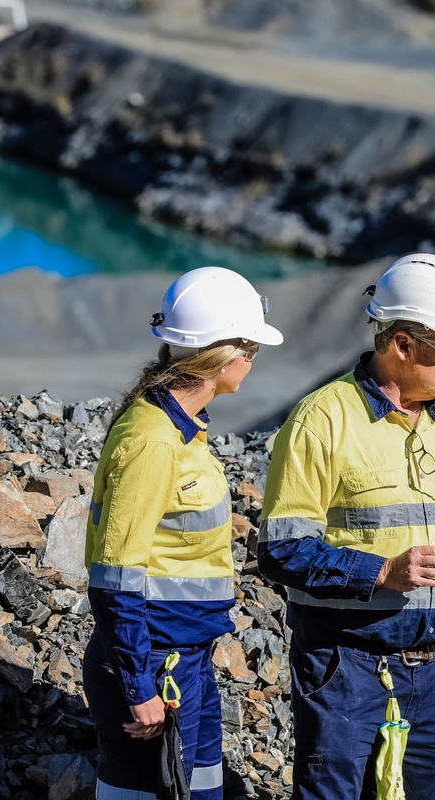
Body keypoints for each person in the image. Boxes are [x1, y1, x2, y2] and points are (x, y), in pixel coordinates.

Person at [257, 253, 435, 800]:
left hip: (431, 671)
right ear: (403, 344)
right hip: (343, 667)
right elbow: (281, 550)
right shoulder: (323, 419)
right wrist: (383, 571)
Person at [84, 267, 284, 800]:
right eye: (251, 349)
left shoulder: (179, 431)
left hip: (184, 658)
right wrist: (138, 686)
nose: (253, 362)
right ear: (223, 355)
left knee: (200, 789)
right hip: (155, 662)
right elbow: (114, 579)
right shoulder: (154, 442)